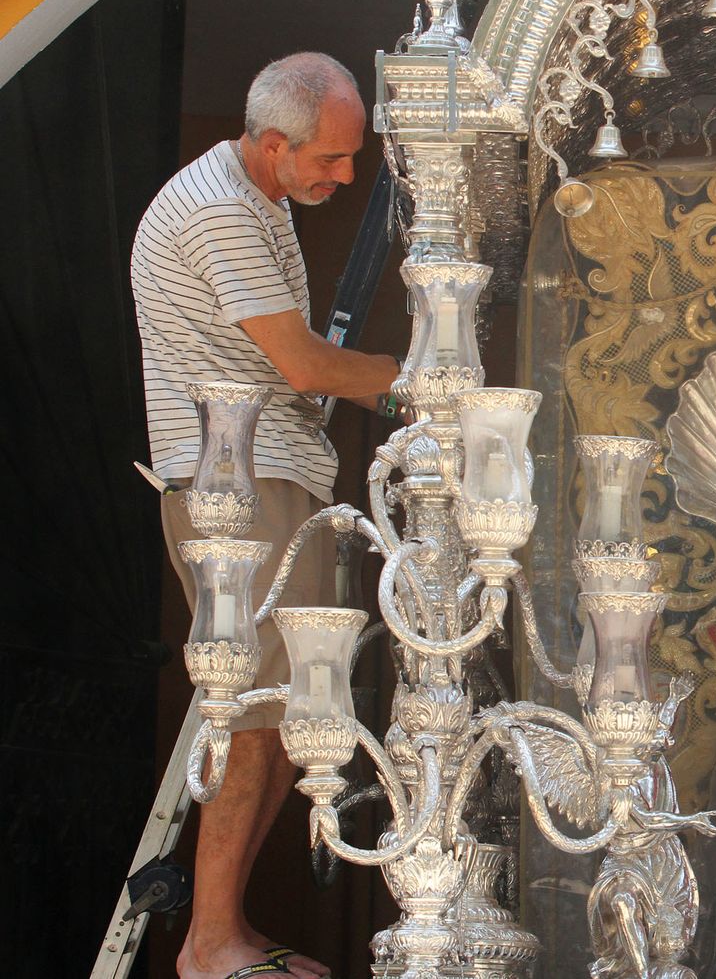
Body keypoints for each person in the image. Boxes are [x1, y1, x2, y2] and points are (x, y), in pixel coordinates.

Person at [130, 52, 401, 979]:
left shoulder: (262, 198)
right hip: (238, 483)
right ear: (274, 142)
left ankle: (224, 930)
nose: (344, 174)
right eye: (330, 158)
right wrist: (434, 386)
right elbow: (306, 367)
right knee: (253, 712)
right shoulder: (219, 211)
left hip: (269, 475)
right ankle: (209, 942)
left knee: (288, 710)